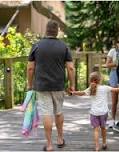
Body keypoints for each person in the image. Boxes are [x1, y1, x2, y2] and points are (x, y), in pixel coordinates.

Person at [27, 20, 75, 151]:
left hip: (41, 86)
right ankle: (60, 139)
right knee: (58, 111)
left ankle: (49, 145)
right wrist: (72, 85)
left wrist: (29, 85)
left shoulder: (36, 46)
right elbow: (70, 68)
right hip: (58, 85)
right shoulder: (64, 47)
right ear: (57, 31)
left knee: (46, 113)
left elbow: (30, 68)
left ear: (46, 30)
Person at [70, 72, 119, 151]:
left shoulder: (90, 89)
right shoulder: (105, 88)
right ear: (100, 80)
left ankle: (97, 147)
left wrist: (74, 92)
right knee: (103, 128)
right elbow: (118, 89)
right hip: (103, 113)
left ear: (90, 80)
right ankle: (104, 143)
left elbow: (81, 93)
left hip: (94, 113)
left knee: (96, 130)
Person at [105, 36, 119, 127]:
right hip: (114, 74)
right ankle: (112, 121)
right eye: (118, 41)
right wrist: (116, 64)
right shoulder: (113, 51)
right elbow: (107, 64)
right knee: (114, 100)